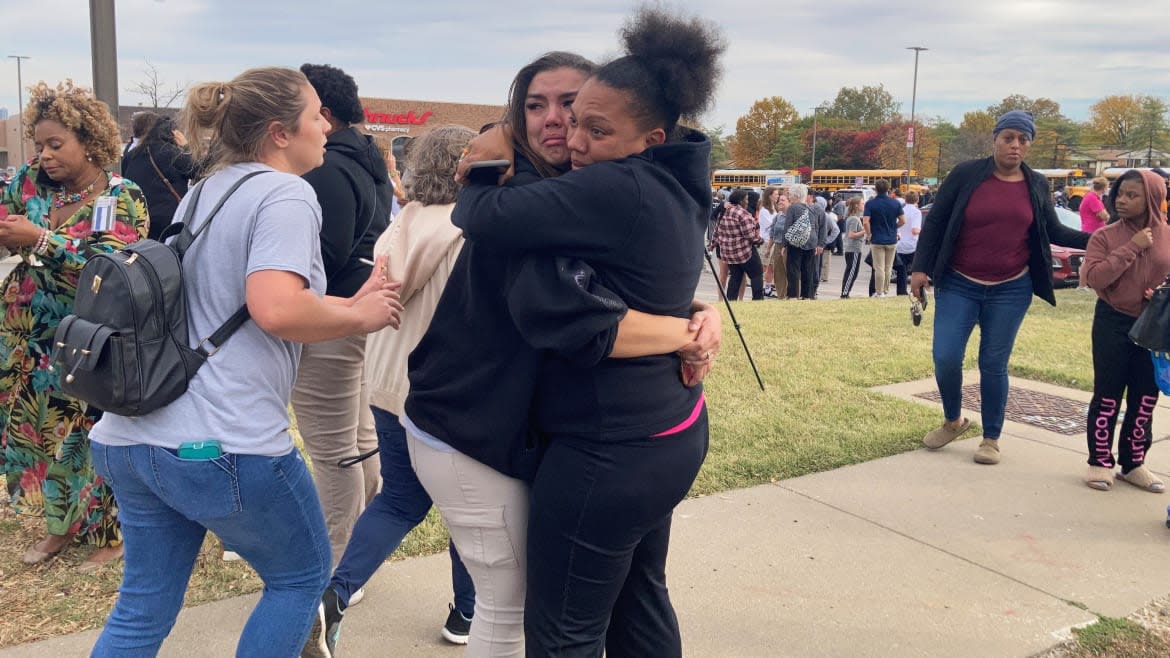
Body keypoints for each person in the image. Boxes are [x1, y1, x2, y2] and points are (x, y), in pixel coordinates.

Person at [360, 50, 722, 658]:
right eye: (536, 106)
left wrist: (690, 315)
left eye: (578, 110)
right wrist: (685, 329)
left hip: (585, 438)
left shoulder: (579, 195)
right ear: (513, 118)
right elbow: (577, 322)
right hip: (473, 428)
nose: (562, 124)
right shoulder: (535, 205)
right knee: (525, 609)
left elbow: (612, 299)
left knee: (582, 614)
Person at [87, 66, 404, 657]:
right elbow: (276, 309)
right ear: (281, 132)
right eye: (316, 116)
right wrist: (361, 317)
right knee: (299, 578)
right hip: (222, 443)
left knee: (144, 603)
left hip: (133, 437)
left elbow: (226, 298)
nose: (326, 127)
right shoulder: (285, 192)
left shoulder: (211, 188)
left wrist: (341, 303)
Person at [305, 126, 479, 657]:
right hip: (448, 390)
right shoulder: (471, 230)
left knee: (399, 500)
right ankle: (466, 611)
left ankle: (335, 595)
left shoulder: (399, 224)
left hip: (385, 384)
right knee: (468, 510)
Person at [0, 80, 149, 572]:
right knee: (40, 432)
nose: (44, 155)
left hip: (88, 335)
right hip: (28, 332)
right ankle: (59, 528)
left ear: (89, 141)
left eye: (55, 144)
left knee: (90, 433)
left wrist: (41, 240)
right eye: (39, 144)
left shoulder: (120, 195)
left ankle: (112, 533)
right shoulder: (27, 184)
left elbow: (112, 263)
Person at [911, 110, 1090, 465]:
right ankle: (953, 420)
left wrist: (1101, 238)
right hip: (959, 283)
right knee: (945, 356)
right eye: (1008, 138)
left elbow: (1054, 232)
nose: (1015, 145)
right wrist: (920, 269)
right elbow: (937, 223)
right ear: (994, 139)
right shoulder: (966, 175)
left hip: (1011, 288)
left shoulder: (1036, 184)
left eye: (1023, 140)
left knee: (993, 363)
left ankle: (991, 438)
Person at [290, 63, 393, 571]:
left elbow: (321, 258)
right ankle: (355, 551)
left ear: (324, 113)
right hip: (357, 315)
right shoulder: (369, 157)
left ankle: (332, 566)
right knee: (357, 441)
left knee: (334, 450)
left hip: (333, 320)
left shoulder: (329, 167)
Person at [1081, 169, 1170, 492]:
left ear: (1153, 199)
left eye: (1132, 195)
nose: (1122, 200)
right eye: (1120, 193)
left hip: (1153, 327)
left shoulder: (1168, 236)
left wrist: (1160, 293)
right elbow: (1096, 278)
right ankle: (1100, 462)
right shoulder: (1105, 237)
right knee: (1107, 395)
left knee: (1146, 397)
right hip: (1113, 321)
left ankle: (1133, 462)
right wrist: (1132, 246)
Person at [121, 115, 199, 240]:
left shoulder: (130, 155)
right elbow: (197, 169)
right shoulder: (170, 153)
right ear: (172, 133)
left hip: (137, 217)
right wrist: (186, 146)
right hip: (167, 219)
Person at [773, 183, 827, 300]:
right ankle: (806, 295)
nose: (789, 197)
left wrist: (784, 244)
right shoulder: (811, 208)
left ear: (795, 195)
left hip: (796, 243)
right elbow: (816, 226)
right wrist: (818, 243)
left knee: (793, 269)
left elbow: (788, 226)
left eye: (790, 194)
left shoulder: (793, 208)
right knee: (807, 270)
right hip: (811, 242)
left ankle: (792, 295)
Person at [710, 188, 764, 300]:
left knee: (735, 276)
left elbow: (716, 231)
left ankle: (731, 300)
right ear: (741, 201)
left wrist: (712, 245)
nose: (748, 202)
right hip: (743, 251)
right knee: (757, 273)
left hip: (728, 253)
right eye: (746, 199)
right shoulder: (743, 214)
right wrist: (760, 240)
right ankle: (758, 300)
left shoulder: (724, 212)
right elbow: (750, 235)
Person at [863, 178, 905, 297]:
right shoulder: (895, 203)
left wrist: (869, 234)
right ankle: (885, 291)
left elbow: (866, 221)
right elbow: (903, 220)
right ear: (888, 189)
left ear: (875, 189)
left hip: (877, 239)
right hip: (891, 238)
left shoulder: (870, 203)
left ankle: (879, 291)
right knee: (888, 267)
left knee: (879, 267)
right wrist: (894, 227)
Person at [894, 190, 923, 295]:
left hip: (900, 244)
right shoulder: (916, 212)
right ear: (917, 199)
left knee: (902, 271)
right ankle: (917, 290)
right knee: (917, 269)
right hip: (912, 244)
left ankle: (901, 291)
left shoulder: (901, 210)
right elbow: (915, 230)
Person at [764, 188, 790, 299]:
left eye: (783, 200)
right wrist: (768, 249)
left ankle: (792, 295)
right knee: (778, 273)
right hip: (778, 246)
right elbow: (772, 234)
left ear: (789, 202)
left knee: (790, 272)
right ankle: (781, 296)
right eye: (779, 200)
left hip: (789, 247)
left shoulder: (792, 215)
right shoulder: (778, 216)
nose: (780, 202)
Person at [840, 196, 865, 298]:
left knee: (852, 271)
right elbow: (851, 234)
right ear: (856, 205)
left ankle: (846, 292)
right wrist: (865, 231)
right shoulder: (854, 219)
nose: (864, 205)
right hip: (853, 248)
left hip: (854, 249)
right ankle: (845, 293)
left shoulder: (855, 218)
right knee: (852, 272)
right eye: (862, 203)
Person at [758, 185, 781, 297]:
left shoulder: (775, 207)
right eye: (776, 194)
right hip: (766, 241)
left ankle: (767, 288)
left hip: (774, 241)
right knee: (763, 266)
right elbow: (771, 225)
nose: (777, 196)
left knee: (771, 266)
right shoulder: (764, 210)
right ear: (770, 195)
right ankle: (756, 285)